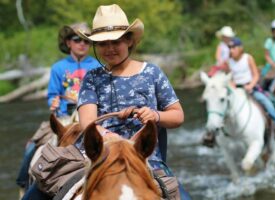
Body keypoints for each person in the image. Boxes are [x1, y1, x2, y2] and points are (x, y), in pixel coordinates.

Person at [77, 4, 191, 199]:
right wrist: (110, 137)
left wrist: (155, 115)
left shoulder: (152, 73)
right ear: (96, 46)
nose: (110, 48)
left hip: (145, 160)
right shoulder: (92, 78)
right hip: (101, 158)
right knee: (49, 186)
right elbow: (88, 124)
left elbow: (177, 115)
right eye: (103, 44)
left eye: (116, 41)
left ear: (129, 40)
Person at [19, 22, 100, 200]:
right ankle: (24, 182)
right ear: (68, 42)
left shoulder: (96, 66)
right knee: (33, 145)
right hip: (62, 118)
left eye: (86, 41)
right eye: (77, 39)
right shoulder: (58, 68)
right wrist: (53, 101)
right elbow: (52, 95)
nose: (82, 44)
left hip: (89, 118)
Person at [225, 37, 275, 135]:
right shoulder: (229, 61)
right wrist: (231, 84)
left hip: (250, 88)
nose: (231, 50)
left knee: (265, 101)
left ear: (240, 48)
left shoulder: (248, 58)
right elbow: (229, 77)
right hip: (236, 90)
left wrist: (250, 85)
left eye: (234, 47)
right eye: (230, 48)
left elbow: (256, 75)